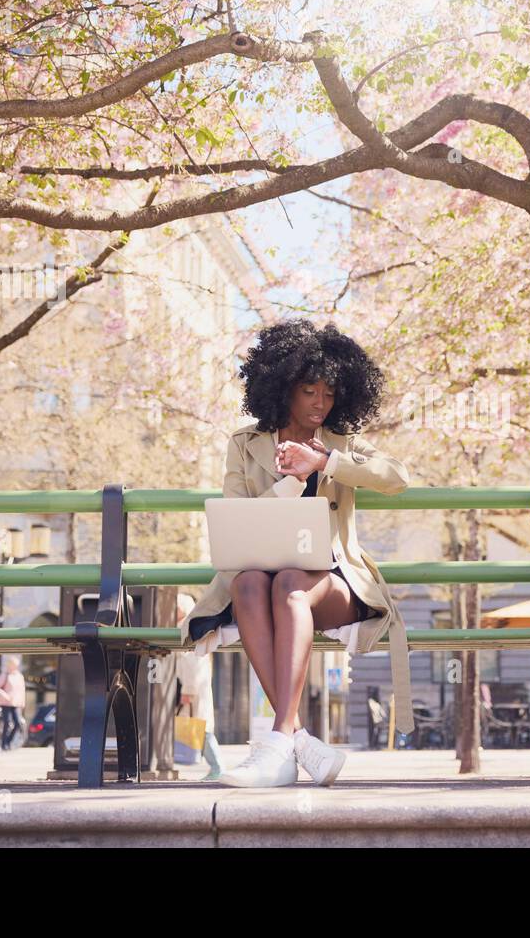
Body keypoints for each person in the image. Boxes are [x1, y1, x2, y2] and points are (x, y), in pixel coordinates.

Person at [182, 319, 409, 787]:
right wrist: (291, 484)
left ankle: (280, 735)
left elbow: (396, 477)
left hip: (333, 585)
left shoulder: (341, 443)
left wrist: (325, 462)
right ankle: (297, 744)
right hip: (257, 582)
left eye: (329, 393)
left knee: (289, 583)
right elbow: (237, 516)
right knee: (249, 581)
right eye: (310, 391)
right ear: (284, 388)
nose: (321, 403)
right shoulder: (245, 445)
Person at [174, 593, 224, 780]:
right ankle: (216, 767)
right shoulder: (187, 626)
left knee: (202, 727)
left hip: (195, 688)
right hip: (196, 686)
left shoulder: (188, 627)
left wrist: (187, 691)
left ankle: (217, 767)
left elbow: (192, 664)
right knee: (202, 726)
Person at [0, 657, 26, 752]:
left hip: (16, 704)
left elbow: (22, 691)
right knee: (6, 723)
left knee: (18, 723)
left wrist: (22, 703)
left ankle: (8, 741)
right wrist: (5, 695)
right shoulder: (5, 675)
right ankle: (4, 745)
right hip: (6, 703)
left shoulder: (19, 676)